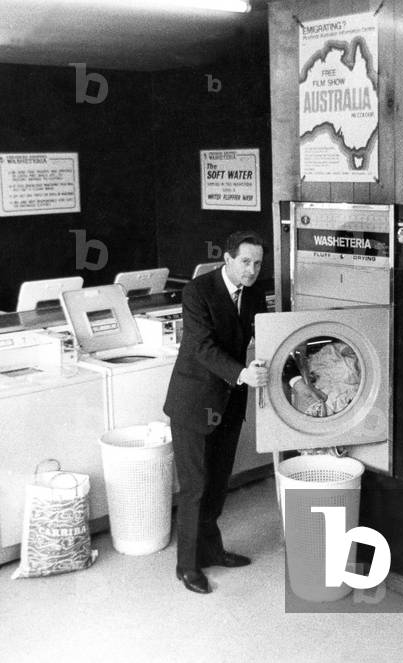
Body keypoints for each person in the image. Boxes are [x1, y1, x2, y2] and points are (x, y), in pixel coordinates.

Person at [163, 230, 269, 594]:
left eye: (257, 263)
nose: (252, 270)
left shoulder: (254, 293)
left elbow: (265, 335)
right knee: (195, 487)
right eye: (245, 262)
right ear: (227, 259)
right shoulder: (198, 291)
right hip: (194, 402)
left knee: (217, 483)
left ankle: (211, 550)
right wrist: (242, 373)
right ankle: (187, 566)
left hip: (229, 401)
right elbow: (201, 347)